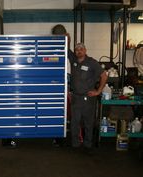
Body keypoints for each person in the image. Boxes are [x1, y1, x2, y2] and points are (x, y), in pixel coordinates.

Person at [52, 24, 108, 152]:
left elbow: (104, 75)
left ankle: (88, 145)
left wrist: (98, 91)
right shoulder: (74, 60)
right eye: (77, 49)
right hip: (76, 97)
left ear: (85, 50)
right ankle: (75, 144)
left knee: (88, 123)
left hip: (88, 98)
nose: (79, 51)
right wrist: (68, 38)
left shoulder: (92, 62)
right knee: (75, 123)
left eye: (81, 49)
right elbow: (66, 50)